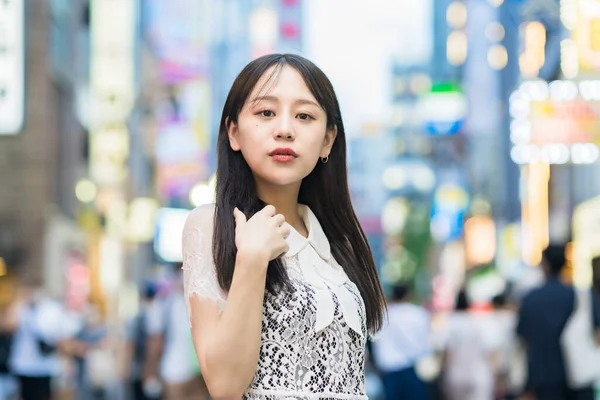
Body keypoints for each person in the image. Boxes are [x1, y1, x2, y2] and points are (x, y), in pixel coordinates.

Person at [181, 53, 386, 399]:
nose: (285, 129)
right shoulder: (211, 226)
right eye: (266, 113)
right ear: (234, 131)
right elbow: (225, 386)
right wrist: (252, 260)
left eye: (304, 116)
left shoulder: (338, 241)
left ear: (327, 140)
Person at [517, 244, 600, 400]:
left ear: (544, 264)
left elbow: (523, 340)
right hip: (579, 378)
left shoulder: (530, 299)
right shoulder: (584, 297)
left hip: (543, 380)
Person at [371, 283, 430, 400]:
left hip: (388, 372)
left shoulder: (383, 315)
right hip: (412, 369)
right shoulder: (418, 314)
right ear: (409, 295)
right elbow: (425, 343)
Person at [442, 290, 495, 400]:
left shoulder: (450, 323)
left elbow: (447, 353)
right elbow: (489, 351)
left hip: (456, 375)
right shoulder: (477, 322)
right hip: (479, 375)